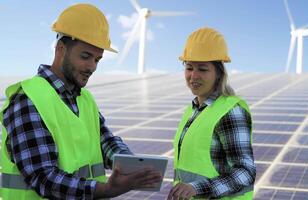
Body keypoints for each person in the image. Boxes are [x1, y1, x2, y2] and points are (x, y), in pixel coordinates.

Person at [0, 3, 162, 199]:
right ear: (60, 49)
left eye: (97, 59)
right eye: (85, 56)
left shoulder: (85, 99)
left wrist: (127, 162)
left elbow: (105, 140)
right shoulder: (28, 100)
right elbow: (43, 177)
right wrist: (104, 190)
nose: (92, 67)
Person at [167, 27, 256, 200]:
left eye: (203, 69)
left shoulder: (230, 111)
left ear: (218, 73)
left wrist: (196, 188)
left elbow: (245, 172)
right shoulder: (193, 110)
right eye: (189, 67)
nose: (193, 76)